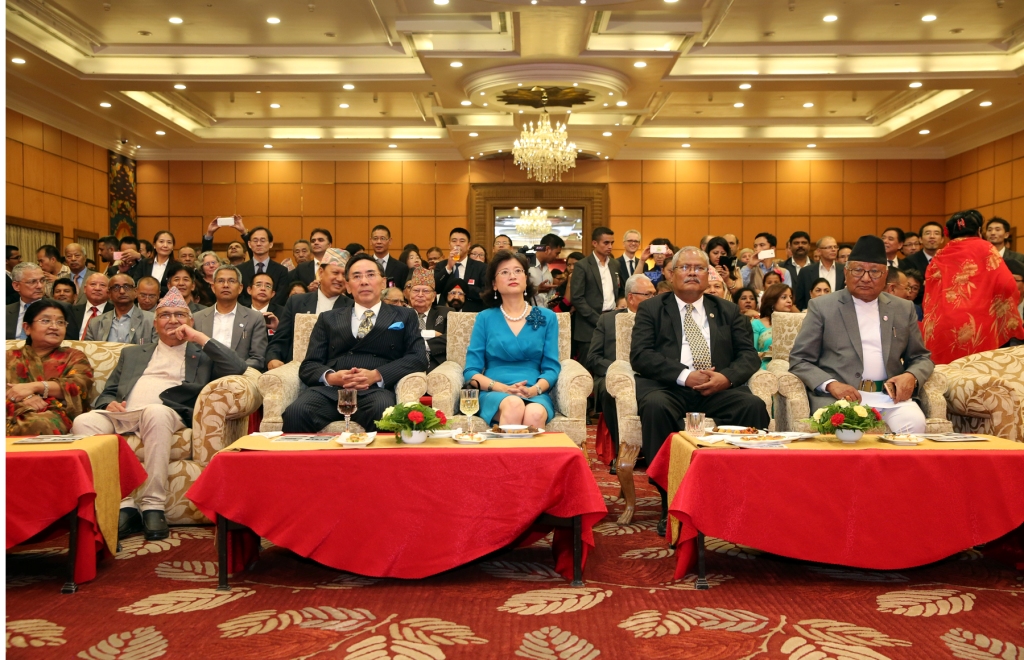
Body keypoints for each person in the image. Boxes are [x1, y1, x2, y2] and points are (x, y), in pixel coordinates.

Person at [72, 287, 248, 541]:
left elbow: (238, 367)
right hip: (125, 414)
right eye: (165, 315)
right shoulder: (133, 353)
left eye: (180, 315)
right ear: (155, 323)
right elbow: (108, 392)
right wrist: (110, 403)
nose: (172, 320)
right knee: (83, 422)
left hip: (167, 414)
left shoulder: (201, 354)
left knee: (156, 412)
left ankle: (153, 505)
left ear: (190, 321)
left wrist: (198, 337)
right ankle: (124, 505)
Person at [631, 247, 768, 536]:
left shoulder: (728, 310)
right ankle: (670, 500)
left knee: (752, 406)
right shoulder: (652, 308)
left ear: (709, 275)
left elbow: (748, 356)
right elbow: (641, 355)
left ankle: (739, 495)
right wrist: (685, 376)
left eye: (699, 268)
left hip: (717, 388)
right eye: (685, 267)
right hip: (669, 387)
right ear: (671, 274)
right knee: (655, 406)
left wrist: (726, 378)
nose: (692, 273)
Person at [789, 235, 934, 434]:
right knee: (848, 433)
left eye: (874, 271)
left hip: (890, 397)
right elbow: (800, 359)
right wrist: (831, 385)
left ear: (885, 275)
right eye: (857, 270)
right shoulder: (822, 307)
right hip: (841, 398)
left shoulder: (902, 308)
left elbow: (921, 357)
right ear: (845, 272)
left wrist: (911, 376)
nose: (865, 278)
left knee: (915, 424)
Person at [282, 254, 426, 433]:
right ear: (348, 286)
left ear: (383, 282)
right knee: (296, 412)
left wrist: (376, 375)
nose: (364, 281)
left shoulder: (405, 315)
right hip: (333, 390)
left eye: (370, 275)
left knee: (383, 412)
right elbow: (309, 365)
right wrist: (332, 377)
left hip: (374, 390)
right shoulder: (328, 318)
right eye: (357, 276)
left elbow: (418, 357)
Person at [464, 251, 560, 428]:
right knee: (514, 404)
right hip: (494, 390)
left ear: (526, 279)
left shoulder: (547, 317)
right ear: (494, 284)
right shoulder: (484, 318)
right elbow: (471, 371)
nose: (512, 276)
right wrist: (503, 388)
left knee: (535, 413)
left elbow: (551, 368)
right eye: (504, 272)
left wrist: (534, 390)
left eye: (518, 271)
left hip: (533, 390)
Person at [922, 211, 1024, 364]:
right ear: (978, 231)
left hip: (943, 323)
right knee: (977, 369)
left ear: (949, 234)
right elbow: (1007, 285)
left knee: (947, 371)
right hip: (978, 322)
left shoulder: (940, 254)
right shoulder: (986, 248)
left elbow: (930, 293)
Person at [587, 274, 655, 470]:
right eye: (648, 295)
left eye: (654, 294)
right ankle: (621, 453)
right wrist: (618, 371)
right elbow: (593, 358)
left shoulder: (660, 320)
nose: (653, 298)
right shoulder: (608, 320)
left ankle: (654, 452)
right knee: (613, 390)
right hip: (612, 376)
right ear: (631, 297)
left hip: (648, 376)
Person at [6, 300, 94, 436]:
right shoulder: (9, 357)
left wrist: (36, 387)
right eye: (46, 321)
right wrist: (24, 398)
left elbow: (79, 386)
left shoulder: (73, 356)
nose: (54, 327)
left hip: (53, 414)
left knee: (39, 424)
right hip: (10, 411)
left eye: (60, 322)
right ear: (27, 328)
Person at [266, 254, 353, 370]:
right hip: (296, 368)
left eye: (344, 275)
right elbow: (281, 339)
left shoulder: (352, 307)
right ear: (321, 273)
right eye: (335, 273)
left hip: (334, 371)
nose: (340, 279)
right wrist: (273, 358)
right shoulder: (296, 302)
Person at [192, 265, 267, 371]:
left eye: (231, 281)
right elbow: (193, 354)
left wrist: (234, 370)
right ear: (213, 287)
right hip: (204, 375)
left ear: (240, 288)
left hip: (238, 376)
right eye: (221, 281)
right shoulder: (197, 318)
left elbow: (257, 359)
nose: (226, 285)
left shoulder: (255, 318)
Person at [571, 227, 620, 364]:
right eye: (606, 243)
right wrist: (597, 319)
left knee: (609, 365)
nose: (610, 246)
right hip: (588, 325)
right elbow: (577, 298)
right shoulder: (582, 265)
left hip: (611, 321)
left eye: (612, 243)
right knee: (586, 367)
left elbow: (619, 290)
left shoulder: (615, 264)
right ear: (594, 243)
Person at [228, 223, 289, 306]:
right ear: (249, 244)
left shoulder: (281, 270)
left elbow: (281, 296)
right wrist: (254, 309)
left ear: (270, 244)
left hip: (272, 311)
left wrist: (264, 308)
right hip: (245, 311)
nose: (259, 244)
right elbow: (238, 294)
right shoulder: (239, 270)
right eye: (255, 241)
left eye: (262, 240)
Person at [85, 274, 156, 345]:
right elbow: (89, 349)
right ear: (109, 294)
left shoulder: (152, 320)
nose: (122, 291)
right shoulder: (95, 323)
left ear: (135, 292)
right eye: (116, 287)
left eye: (126, 287)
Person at [405, 267, 451, 371]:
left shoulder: (446, 313)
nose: (420, 295)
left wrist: (422, 345)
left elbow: (452, 338)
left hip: (438, 366)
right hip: (407, 365)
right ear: (409, 294)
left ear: (434, 296)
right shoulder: (400, 314)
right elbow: (398, 337)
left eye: (425, 291)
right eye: (416, 290)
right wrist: (432, 334)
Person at [435, 227, 486, 312]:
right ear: (449, 245)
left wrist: (462, 287)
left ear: (468, 245)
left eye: (462, 241)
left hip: (471, 314)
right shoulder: (441, 265)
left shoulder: (481, 267)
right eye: (454, 241)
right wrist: (448, 267)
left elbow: (485, 293)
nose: (457, 244)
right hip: (444, 314)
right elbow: (435, 288)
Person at [794, 236, 845, 310]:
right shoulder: (805, 272)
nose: (833, 250)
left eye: (835, 247)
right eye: (829, 247)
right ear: (819, 251)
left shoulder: (845, 270)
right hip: (813, 313)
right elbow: (799, 300)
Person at [751, 283, 794, 369]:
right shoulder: (756, 324)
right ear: (772, 301)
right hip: (766, 368)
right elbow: (752, 353)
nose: (789, 300)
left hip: (792, 367)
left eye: (790, 297)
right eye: (784, 297)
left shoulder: (795, 323)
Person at [285, 228, 334, 299]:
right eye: (313, 241)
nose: (316, 243)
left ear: (329, 245)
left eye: (320, 240)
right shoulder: (302, 268)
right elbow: (291, 292)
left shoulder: (337, 266)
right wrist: (307, 289)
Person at [369, 224, 410, 290]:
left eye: (382, 238)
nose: (379, 242)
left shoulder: (401, 268)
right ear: (371, 241)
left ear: (390, 241)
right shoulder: (365, 265)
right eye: (375, 238)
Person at [71, 273, 110, 341]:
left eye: (102, 285)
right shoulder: (72, 311)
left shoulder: (115, 312)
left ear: (109, 291)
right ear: (85, 289)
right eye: (93, 284)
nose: (97, 288)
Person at [530, 233, 565, 307]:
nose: (557, 257)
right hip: (529, 312)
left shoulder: (548, 271)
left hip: (546, 312)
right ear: (547, 249)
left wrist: (551, 302)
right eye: (557, 253)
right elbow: (515, 291)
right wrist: (536, 290)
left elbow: (547, 297)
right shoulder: (526, 265)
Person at [247, 272, 285, 337]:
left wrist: (277, 329)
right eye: (258, 285)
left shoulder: (283, 313)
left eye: (268, 286)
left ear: (272, 294)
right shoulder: (241, 312)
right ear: (249, 290)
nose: (263, 289)